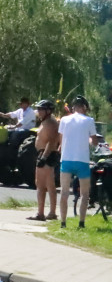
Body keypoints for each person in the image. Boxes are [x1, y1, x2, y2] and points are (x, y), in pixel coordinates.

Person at [57, 96, 98, 229]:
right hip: (82, 160)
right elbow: (94, 141)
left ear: (73, 107)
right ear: (84, 107)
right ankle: (81, 223)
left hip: (67, 159)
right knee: (85, 194)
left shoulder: (64, 120)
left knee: (64, 192)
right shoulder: (89, 120)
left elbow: (61, 140)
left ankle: (63, 222)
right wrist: (91, 142)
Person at [28, 100, 59, 221]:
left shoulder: (51, 122)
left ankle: (49, 213)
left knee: (47, 184)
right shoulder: (44, 122)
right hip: (42, 153)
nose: (38, 111)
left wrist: (44, 157)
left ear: (48, 111)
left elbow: (51, 141)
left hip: (47, 155)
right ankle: (43, 213)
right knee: (42, 184)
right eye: (38, 109)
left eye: (41, 109)